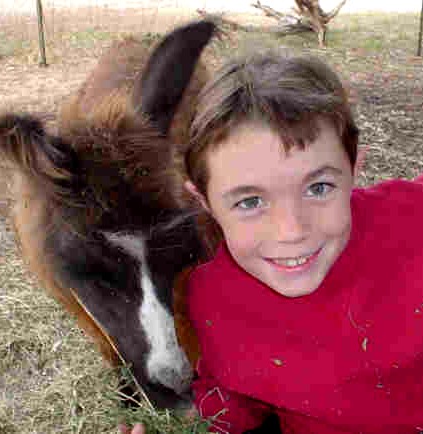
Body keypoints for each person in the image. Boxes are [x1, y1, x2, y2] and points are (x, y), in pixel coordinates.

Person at [122, 51, 423, 434]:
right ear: (205, 203)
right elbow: (230, 402)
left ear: (354, 170)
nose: (291, 230)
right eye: (250, 202)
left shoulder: (414, 219)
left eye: (318, 187)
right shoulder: (213, 299)